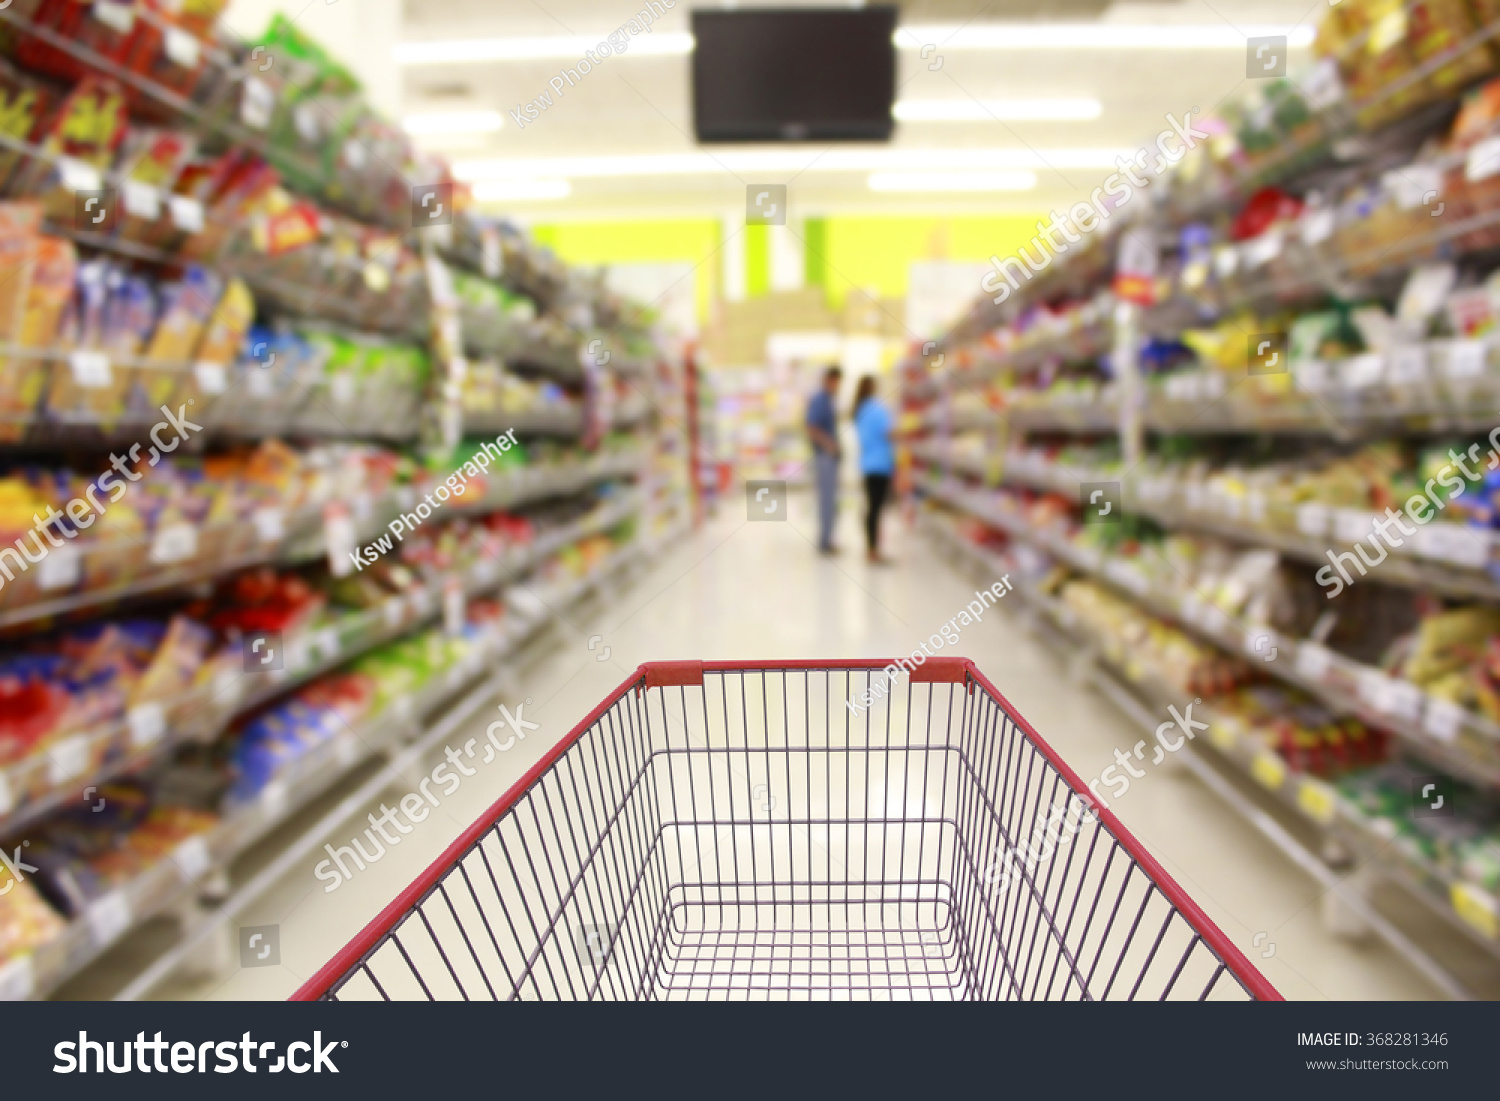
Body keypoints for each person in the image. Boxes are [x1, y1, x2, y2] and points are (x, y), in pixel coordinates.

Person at [852, 375, 895, 564]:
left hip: (867, 464)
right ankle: (874, 551)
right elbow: (889, 432)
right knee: (876, 509)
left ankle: (871, 548)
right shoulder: (877, 409)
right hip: (881, 464)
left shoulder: (859, 409)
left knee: (872, 507)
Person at [805, 365, 842, 554]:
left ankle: (828, 539)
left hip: (829, 457)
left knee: (831, 500)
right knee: (827, 500)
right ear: (830, 380)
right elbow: (812, 428)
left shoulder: (828, 400)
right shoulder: (820, 400)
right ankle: (824, 542)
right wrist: (830, 445)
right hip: (824, 457)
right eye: (837, 382)